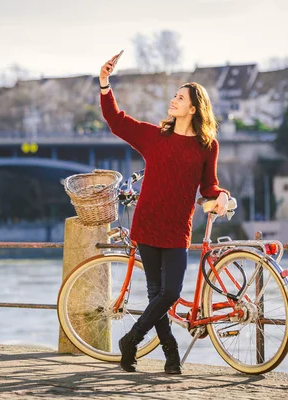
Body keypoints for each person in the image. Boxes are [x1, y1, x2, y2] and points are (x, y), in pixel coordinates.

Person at [99, 53, 230, 374]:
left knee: (169, 292)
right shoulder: (154, 136)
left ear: (194, 108)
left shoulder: (207, 146)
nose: (173, 100)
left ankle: (130, 340)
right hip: (148, 223)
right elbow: (116, 120)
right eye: (174, 96)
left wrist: (222, 195)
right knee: (157, 293)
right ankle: (170, 358)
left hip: (177, 228)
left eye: (180, 98)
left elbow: (209, 187)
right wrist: (104, 83)